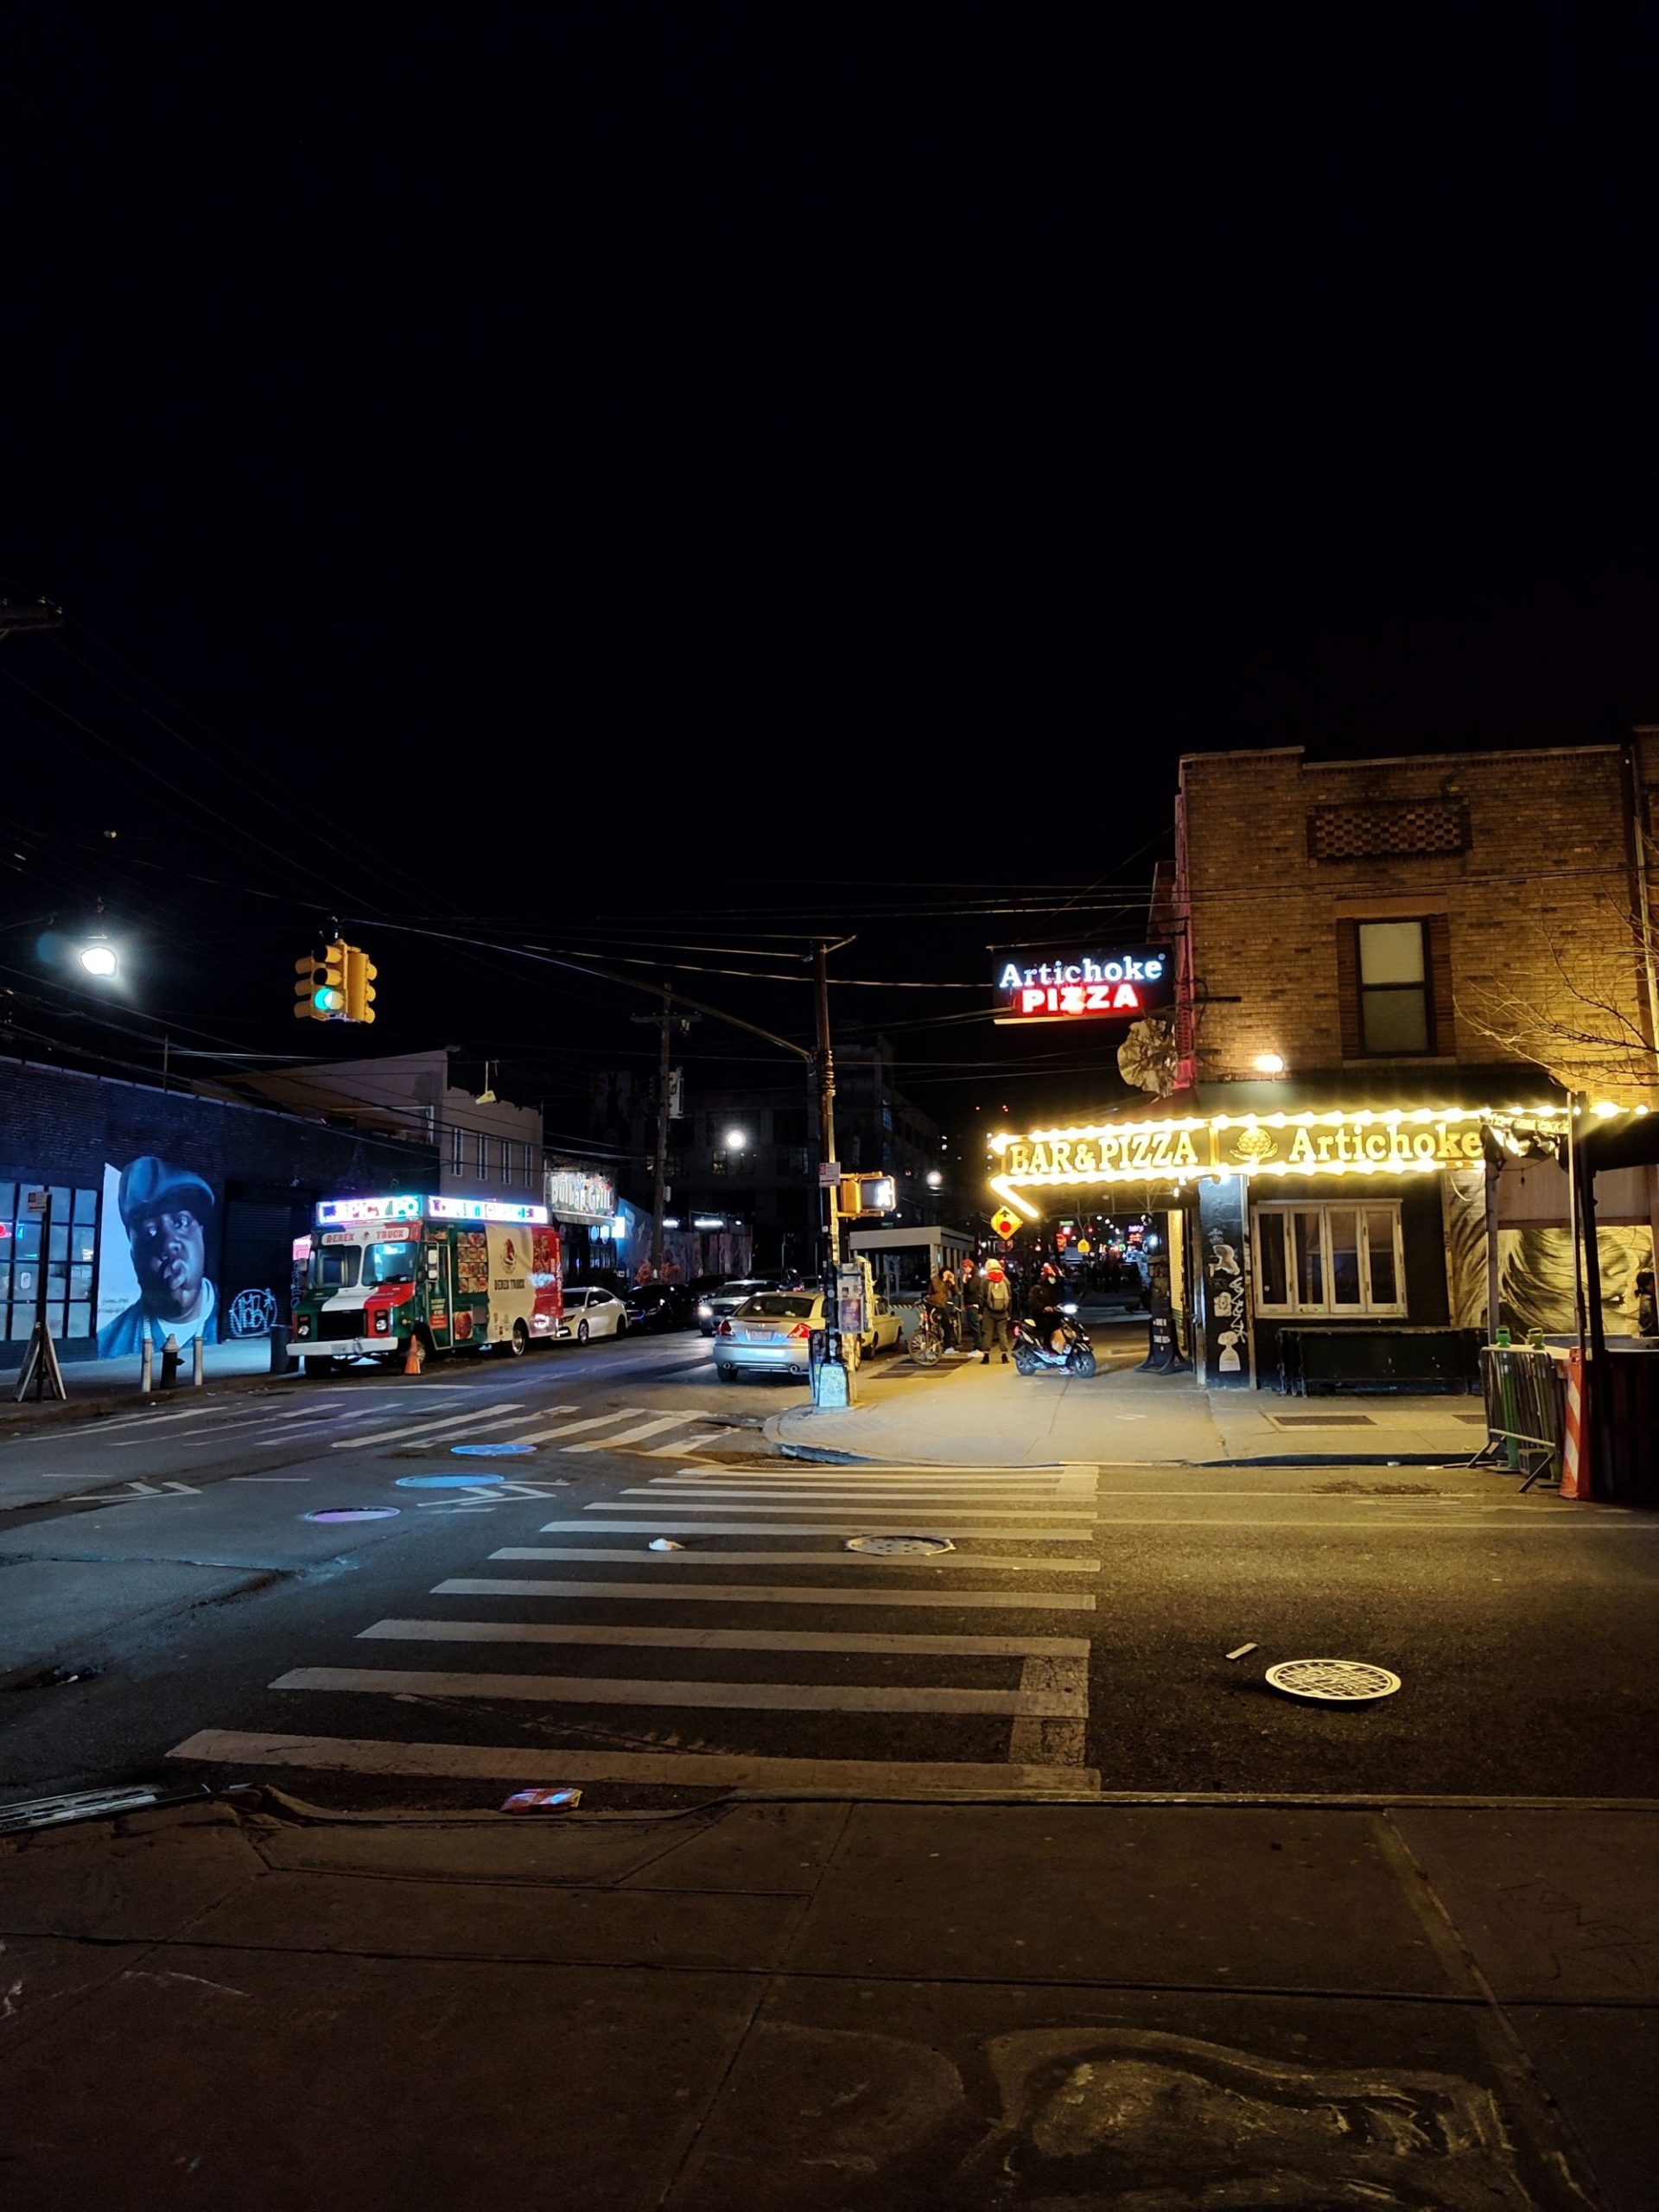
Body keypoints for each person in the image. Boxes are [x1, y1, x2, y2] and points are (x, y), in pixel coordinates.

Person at [96, 1156, 219, 1357]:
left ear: (202, 1236)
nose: (168, 1244)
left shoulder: (236, 1317)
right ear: (134, 1257)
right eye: (150, 1232)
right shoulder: (109, 1345)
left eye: (181, 1222)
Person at [980, 1259, 1014, 1363]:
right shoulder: (1005, 1279)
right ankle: (1004, 1356)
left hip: (989, 1311)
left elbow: (981, 1296)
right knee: (1002, 1333)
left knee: (987, 1333)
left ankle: (986, 1357)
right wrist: (1009, 1312)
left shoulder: (986, 1280)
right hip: (1003, 1311)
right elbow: (1010, 1296)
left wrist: (982, 1310)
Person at [960, 1257, 985, 1357]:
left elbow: (971, 1289)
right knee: (974, 1327)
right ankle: (977, 1346)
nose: (964, 1270)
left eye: (965, 1268)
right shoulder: (974, 1276)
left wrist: (965, 1282)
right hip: (971, 1305)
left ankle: (978, 1347)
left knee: (975, 1327)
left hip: (973, 1305)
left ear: (970, 1267)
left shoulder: (975, 1277)